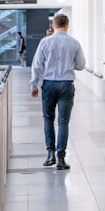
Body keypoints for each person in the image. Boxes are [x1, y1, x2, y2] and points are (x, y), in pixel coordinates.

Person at [30, 13, 85, 170]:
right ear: (67, 25)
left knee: (48, 119)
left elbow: (37, 65)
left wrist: (33, 85)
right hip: (66, 85)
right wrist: (67, 65)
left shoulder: (45, 42)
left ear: (53, 26)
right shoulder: (74, 43)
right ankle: (61, 158)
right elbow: (81, 65)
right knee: (63, 122)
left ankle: (50, 155)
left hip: (49, 84)